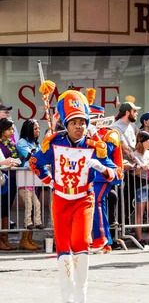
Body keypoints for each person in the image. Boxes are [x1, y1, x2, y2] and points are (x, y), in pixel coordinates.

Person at [30, 90, 117, 302]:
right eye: (74, 122)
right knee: (62, 247)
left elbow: (115, 174)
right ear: (66, 125)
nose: (79, 126)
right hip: (60, 199)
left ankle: (81, 293)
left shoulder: (95, 145)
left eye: (82, 122)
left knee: (80, 242)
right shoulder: (54, 142)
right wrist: (49, 180)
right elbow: (35, 163)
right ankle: (66, 294)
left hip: (84, 199)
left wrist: (100, 166)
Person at [87, 91, 124, 253]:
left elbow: (105, 152)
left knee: (97, 203)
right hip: (90, 176)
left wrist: (94, 133)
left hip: (106, 174)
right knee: (93, 206)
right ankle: (102, 241)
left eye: (90, 118)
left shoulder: (111, 133)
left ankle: (102, 240)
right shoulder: (86, 134)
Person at [0, 118, 33, 251]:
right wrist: (7, 162)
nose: (12, 131)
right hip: (2, 179)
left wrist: (15, 161)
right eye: (9, 129)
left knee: (7, 207)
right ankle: (1, 239)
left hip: (12, 178)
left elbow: (19, 157)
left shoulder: (11, 143)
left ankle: (5, 239)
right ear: (2, 131)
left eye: (12, 129)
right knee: (2, 208)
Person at [16, 119, 43, 250]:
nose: (38, 131)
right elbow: (30, 157)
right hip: (25, 180)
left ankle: (32, 233)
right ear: (29, 129)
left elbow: (41, 157)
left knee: (36, 204)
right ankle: (26, 233)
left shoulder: (36, 143)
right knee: (28, 203)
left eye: (38, 128)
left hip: (35, 180)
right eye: (35, 129)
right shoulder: (22, 142)